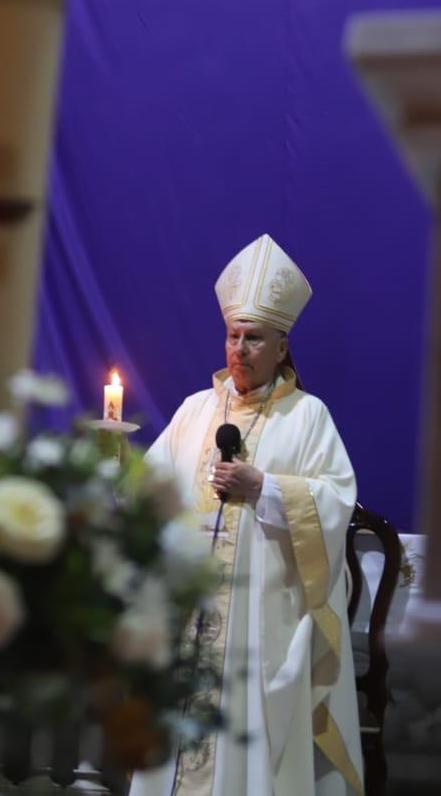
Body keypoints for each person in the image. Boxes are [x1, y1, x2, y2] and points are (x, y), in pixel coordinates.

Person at [132, 234, 363, 796]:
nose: (239, 349)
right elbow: (149, 490)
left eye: (254, 338)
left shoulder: (308, 417)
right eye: (233, 336)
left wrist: (266, 487)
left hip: (263, 619)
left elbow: (336, 500)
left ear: (282, 347)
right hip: (193, 611)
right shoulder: (195, 410)